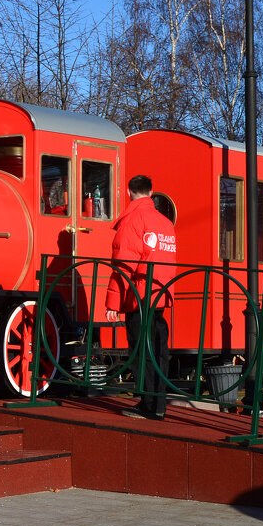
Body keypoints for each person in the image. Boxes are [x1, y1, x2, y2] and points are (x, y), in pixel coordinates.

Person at [105, 174, 177, 420]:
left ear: (128, 192)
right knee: (159, 350)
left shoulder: (132, 220)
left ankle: (148, 405)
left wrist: (113, 303)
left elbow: (123, 266)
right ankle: (159, 404)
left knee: (140, 350)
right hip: (161, 294)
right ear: (151, 191)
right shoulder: (166, 223)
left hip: (140, 295)